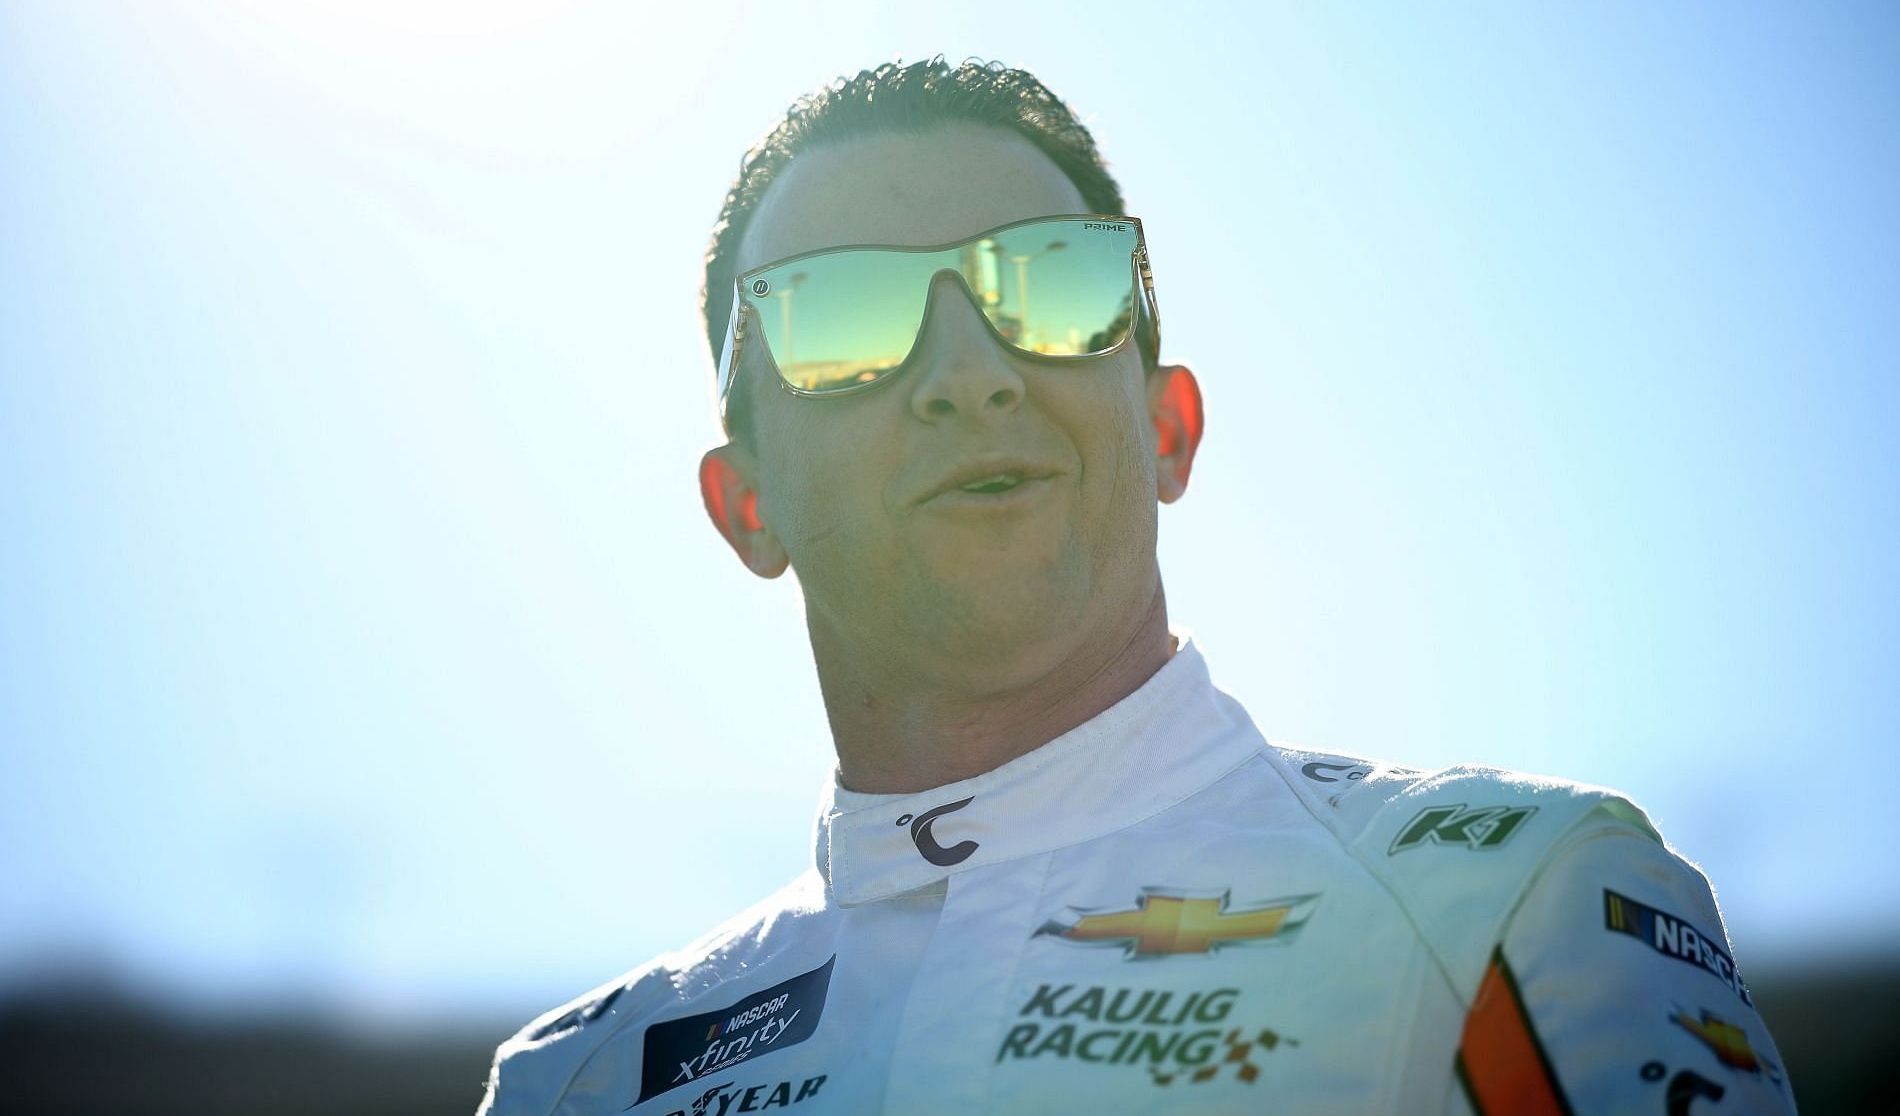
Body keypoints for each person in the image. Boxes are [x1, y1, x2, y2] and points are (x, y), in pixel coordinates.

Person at [478, 58, 1794, 1115]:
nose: (968, 370)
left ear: (1168, 428)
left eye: (1053, 284)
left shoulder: (1514, 897)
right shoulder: (581, 1080)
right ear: (745, 507)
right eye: (840, 315)